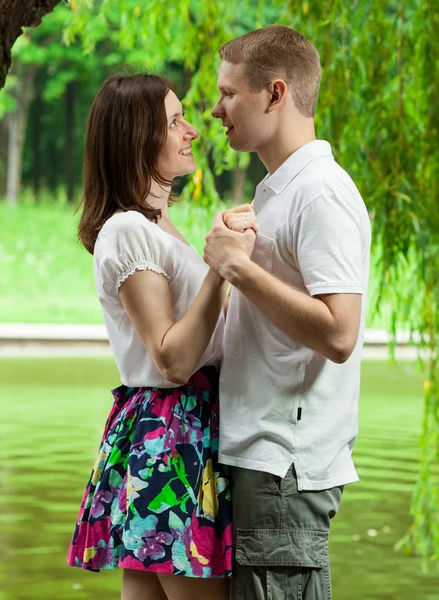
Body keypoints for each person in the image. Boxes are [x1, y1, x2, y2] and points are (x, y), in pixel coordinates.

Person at [66, 73, 257, 600]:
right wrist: (222, 267)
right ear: (136, 139)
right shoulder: (128, 230)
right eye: (174, 122)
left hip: (169, 432)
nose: (192, 130)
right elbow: (173, 358)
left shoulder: (155, 228)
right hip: (174, 435)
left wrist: (222, 252)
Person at [204, 25, 372, 600]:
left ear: (275, 94)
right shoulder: (280, 188)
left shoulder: (322, 192)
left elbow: (341, 333)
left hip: (286, 470)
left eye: (229, 94)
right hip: (261, 460)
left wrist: (239, 269)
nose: (215, 109)